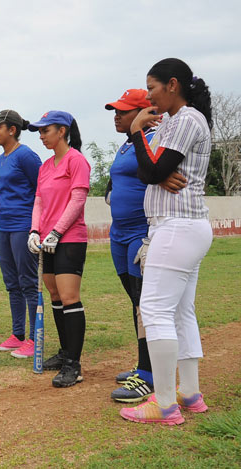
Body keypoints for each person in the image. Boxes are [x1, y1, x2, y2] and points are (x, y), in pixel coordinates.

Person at [120, 58, 213, 425]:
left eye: (153, 87)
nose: (148, 96)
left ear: (173, 85)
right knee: (179, 312)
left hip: (177, 225)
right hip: (179, 225)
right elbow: (150, 172)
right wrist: (155, 168)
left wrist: (136, 135)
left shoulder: (188, 118)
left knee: (155, 310)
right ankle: (189, 393)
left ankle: (164, 404)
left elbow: (153, 170)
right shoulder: (172, 122)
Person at [27, 110, 90, 387]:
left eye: (45, 131)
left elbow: (77, 200)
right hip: (47, 238)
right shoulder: (45, 165)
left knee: (68, 297)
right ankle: (66, 354)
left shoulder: (76, 160)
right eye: (39, 132)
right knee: (54, 293)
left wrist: (56, 231)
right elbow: (39, 202)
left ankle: (74, 366)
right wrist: (35, 230)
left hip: (70, 238)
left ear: (62, 131)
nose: (41, 136)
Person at [102, 90, 157, 403]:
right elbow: (116, 179)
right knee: (134, 301)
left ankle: (149, 374)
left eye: (123, 112)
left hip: (140, 232)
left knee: (143, 303)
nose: (116, 116)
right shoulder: (126, 144)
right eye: (115, 111)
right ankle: (144, 362)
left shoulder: (149, 139)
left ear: (143, 112)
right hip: (118, 234)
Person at [0, 110, 42, 358]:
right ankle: (17, 335)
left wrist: (37, 227)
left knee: (28, 282)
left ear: (13, 130)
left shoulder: (26, 155)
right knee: (12, 283)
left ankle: (33, 338)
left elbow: (43, 189)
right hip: (4, 226)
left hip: (23, 225)